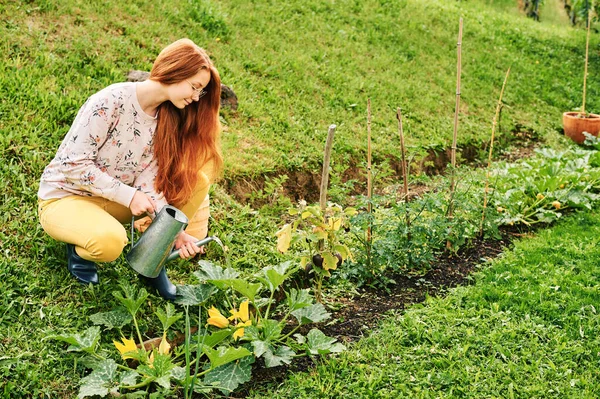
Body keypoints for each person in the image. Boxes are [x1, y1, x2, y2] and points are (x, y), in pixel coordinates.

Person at [37, 38, 223, 300]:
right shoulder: (111, 100)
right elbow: (73, 165)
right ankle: (79, 252)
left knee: (195, 181)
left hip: (110, 201)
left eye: (200, 92)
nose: (195, 97)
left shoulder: (164, 118)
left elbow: (149, 180)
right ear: (175, 71)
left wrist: (174, 233)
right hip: (65, 197)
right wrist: (129, 196)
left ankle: (151, 262)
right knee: (111, 242)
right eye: (194, 87)